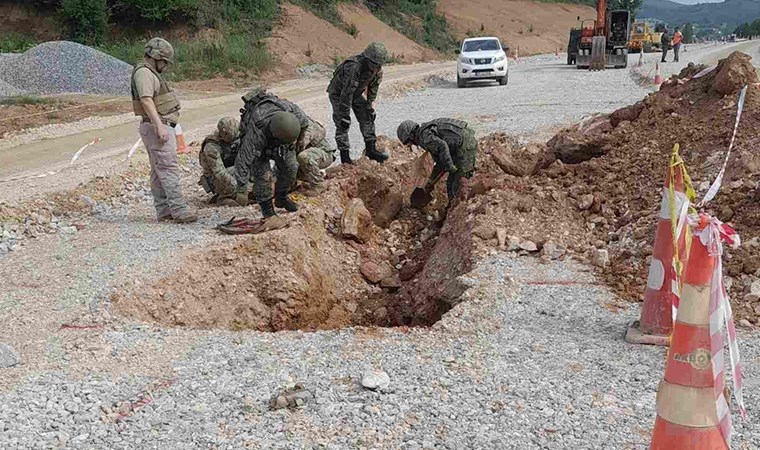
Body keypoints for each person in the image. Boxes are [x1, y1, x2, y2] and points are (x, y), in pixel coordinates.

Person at [131, 37, 197, 223]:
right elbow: (146, 99)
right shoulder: (144, 73)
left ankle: (164, 211)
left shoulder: (148, 72)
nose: (166, 66)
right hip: (156, 126)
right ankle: (179, 211)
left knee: (159, 171)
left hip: (155, 126)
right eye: (165, 62)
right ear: (156, 57)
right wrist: (159, 126)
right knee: (168, 169)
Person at [233, 88, 306, 218]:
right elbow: (243, 160)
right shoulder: (256, 131)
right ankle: (267, 210)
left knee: (291, 167)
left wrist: (299, 141)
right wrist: (241, 189)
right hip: (261, 137)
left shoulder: (293, 111)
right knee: (264, 176)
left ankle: (281, 197)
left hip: (281, 137)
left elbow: (305, 125)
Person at [327, 42, 390, 165]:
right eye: (374, 64)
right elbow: (346, 93)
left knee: (368, 116)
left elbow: (373, 87)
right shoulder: (354, 67)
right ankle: (345, 157)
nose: (376, 68)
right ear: (367, 59)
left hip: (355, 93)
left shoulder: (377, 69)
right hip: (339, 94)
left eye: (379, 65)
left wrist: (370, 105)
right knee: (342, 123)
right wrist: (345, 115)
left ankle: (371, 150)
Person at [396, 118, 477, 204]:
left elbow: (443, 146)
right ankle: (452, 208)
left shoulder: (425, 138)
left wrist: (449, 165)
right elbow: (439, 163)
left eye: (409, 141)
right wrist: (430, 182)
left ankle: (461, 207)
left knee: (459, 181)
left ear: (411, 136)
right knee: (450, 183)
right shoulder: (425, 134)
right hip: (458, 144)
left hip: (465, 143)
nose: (411, 144)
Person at [198, 117, 244, 206]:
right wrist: (238, 188)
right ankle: (224, 197)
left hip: (230, 171)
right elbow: (219, 172)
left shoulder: (237, 137)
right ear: (223, 134)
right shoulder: (212, 146)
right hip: (215, 178)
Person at [294, 118, 335, 195]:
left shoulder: (305, 125)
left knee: (304, 157)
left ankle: (318, 185)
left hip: (324, 155)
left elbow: (321, 131)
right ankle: (308, 178)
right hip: (310, 156)